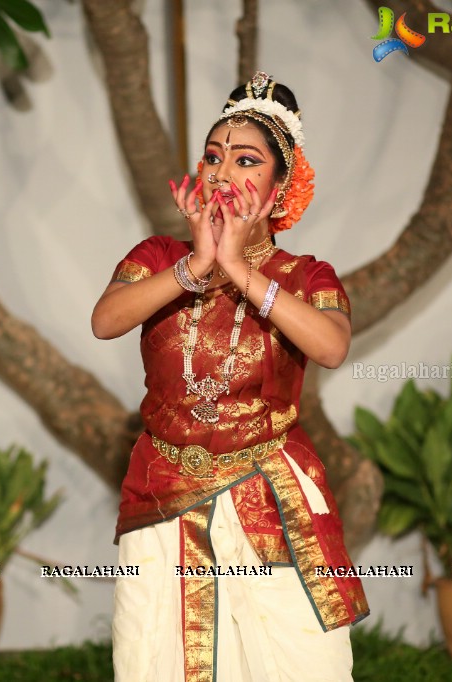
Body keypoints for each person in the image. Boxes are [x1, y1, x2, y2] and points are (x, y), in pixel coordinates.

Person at [92, 71, 369, 681]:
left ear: (277, 190)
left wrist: (239, 268)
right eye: (212, 157)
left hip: (269, 494)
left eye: (245, 160)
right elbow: (106, 320)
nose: (221, 172)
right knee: (152, 660)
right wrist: (197, 265)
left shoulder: (306, 275)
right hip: (163, 493)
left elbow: (329, 346)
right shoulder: (158, 260)